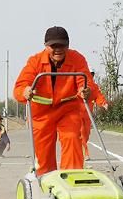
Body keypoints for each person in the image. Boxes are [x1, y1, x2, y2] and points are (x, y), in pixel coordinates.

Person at [14, 26, 93, 175]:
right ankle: (46, 181)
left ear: (68, 45)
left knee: (72, 137)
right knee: (43, 154)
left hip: (67, 110)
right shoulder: (35, 62)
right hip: (41, 114)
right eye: (53, 46)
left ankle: (72, 177)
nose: (58, 49)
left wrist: (85, 90)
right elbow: (19, 87)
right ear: (46, 46)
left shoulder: (77, 59)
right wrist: (25, 91)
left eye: (62, 45)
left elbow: (86, 81)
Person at [82, 68, 108, 160]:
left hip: (88, 114)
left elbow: (98, 96)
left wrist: (103, 103)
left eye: (92, 74)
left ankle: (82, 153)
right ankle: (85, 154)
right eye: (89, 73)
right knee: (80, 134)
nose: (91, 76)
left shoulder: (94, 86)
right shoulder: (78, 83)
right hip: (77, 113)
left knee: (86, 134)